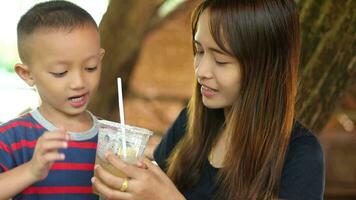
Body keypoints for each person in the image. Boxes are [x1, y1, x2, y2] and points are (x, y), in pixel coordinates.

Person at [92, 0, 325, 199]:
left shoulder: (300, 155)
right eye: (199, 51)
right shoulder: (188, 125)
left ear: (266, 68)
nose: (201, 70)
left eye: (221, 60)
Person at [0, 1, 105, 199]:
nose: (79, 82)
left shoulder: (111, 139)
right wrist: (31, 171)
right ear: (27, 74)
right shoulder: (11, 138)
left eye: (91, 67)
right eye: (61, 72)